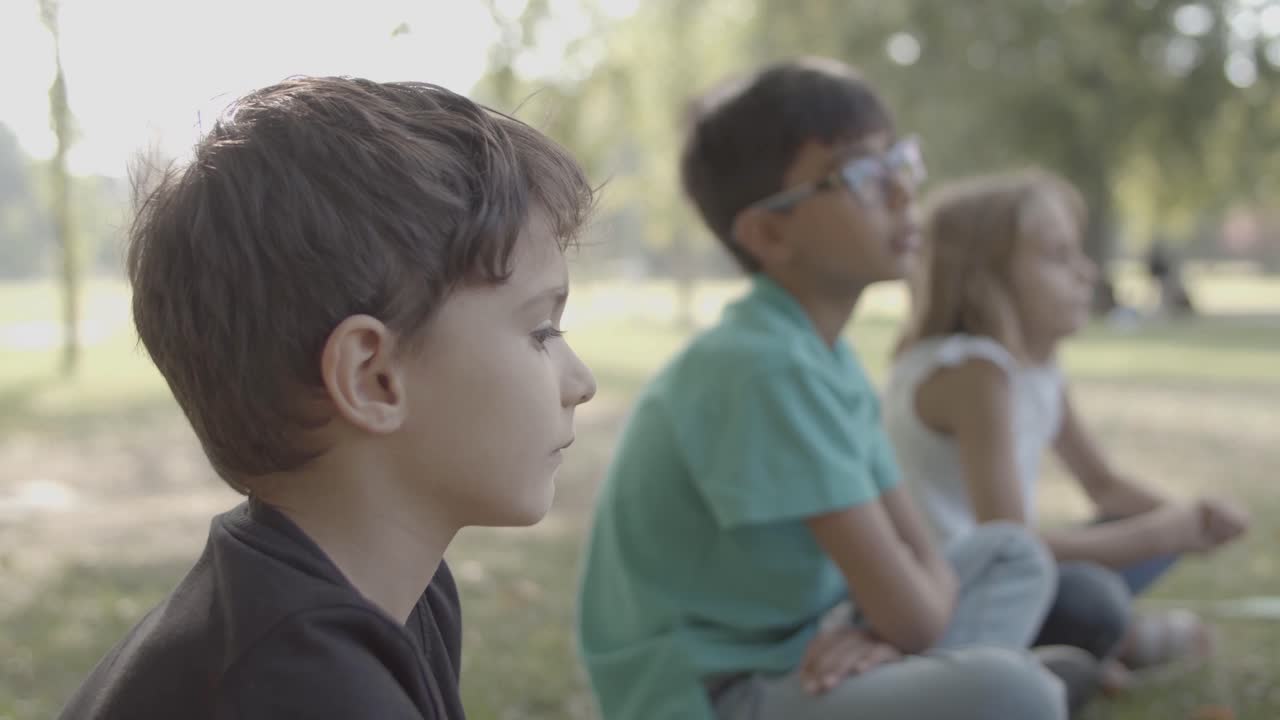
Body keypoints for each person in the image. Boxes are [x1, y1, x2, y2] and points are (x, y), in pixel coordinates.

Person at [59, 76, 597, 719]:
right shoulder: (300, 688)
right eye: (541, 330)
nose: (581, 383)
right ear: (372, 377)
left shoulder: (396, 597)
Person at [575, 58, 1068, 720]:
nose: (900, 189)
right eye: (862, 174)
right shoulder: (764, 367)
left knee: (1014, 555)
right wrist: (900, 632)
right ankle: (972, 680)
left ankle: (944, 681)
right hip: (717, 694)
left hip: (810, 652)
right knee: (1020, 695)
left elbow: (920, 554)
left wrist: (879, 635)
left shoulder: (824, 357)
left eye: (900, 160)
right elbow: (916, 611)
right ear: (769, 233)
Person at [884, 168, 1248, 700]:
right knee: (1093, 599)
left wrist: (1192, 520)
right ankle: (1102, 647)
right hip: (956, 590)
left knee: (1142, 520)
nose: (1086, 272)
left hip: (1012, 570)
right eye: (1058, 257)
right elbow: (1009, 547)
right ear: (987, 277)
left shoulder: (1036, 367)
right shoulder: (972, 374)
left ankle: (1094, 651)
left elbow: (1102, 485)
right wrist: (1162, 533)